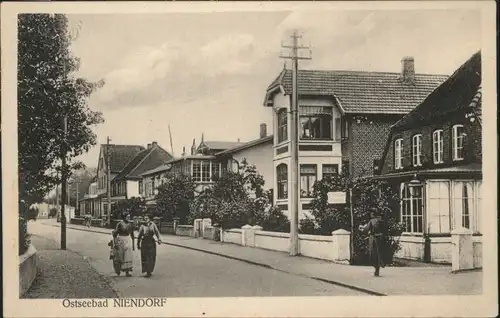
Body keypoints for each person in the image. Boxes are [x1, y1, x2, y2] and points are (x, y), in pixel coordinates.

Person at [359, 208, 386, 277]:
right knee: (379, 253)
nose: (370, 214)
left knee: (373, 254)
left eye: (371, 213)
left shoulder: (372, 221)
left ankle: (376, 269)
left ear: (373, 214)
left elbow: (366, 229)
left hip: (373, 239)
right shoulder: (381, 220)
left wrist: (361, 228)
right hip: (380, 238)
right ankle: (379, 267)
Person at [112, 211, 135, 276]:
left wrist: (133, 244)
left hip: (127, 239)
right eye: (127, 217)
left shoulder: (130, 224)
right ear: (124, 217)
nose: (128, 218)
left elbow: (132, 235)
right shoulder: (119, 224)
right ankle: (118, 270)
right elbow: (115, 233)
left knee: (128, 256)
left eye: (129, 217)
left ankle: (127, 272)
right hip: (120, 240)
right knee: (119, 256)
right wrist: (115, 242)